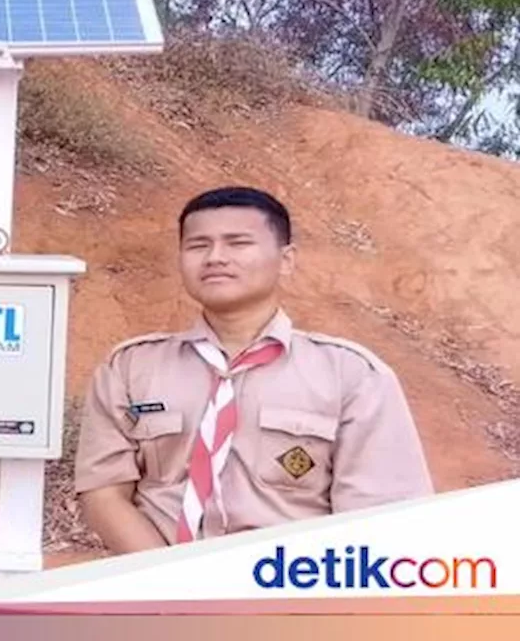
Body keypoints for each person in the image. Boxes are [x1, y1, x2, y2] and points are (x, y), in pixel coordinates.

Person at [73, 185, 433, 554]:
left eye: (238, 243)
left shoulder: (353, 376)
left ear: (287, 259)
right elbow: (104, 492)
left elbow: (378, 519)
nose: (215, 257)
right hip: (156, 592)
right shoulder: (130, 368)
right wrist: (171, 584)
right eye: (198, 245)